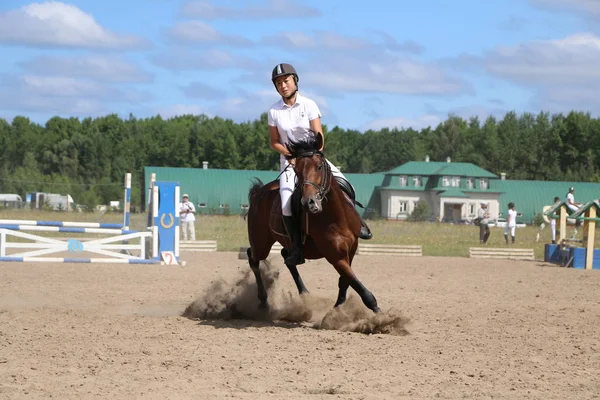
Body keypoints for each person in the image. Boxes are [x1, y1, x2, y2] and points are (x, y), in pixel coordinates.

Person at [267, 62, 372, 266]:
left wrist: (312, 157)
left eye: (286, 81)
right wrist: (290, 155)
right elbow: (274, 142)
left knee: (344, 184)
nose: (283, 85)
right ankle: (296, 248)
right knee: (287, 202)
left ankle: (358, 224)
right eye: (278, 83)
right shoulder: (273, 111)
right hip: (290, 163)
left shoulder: (309, 105)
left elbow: (319, 136)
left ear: (295, 81)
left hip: (314, 158)